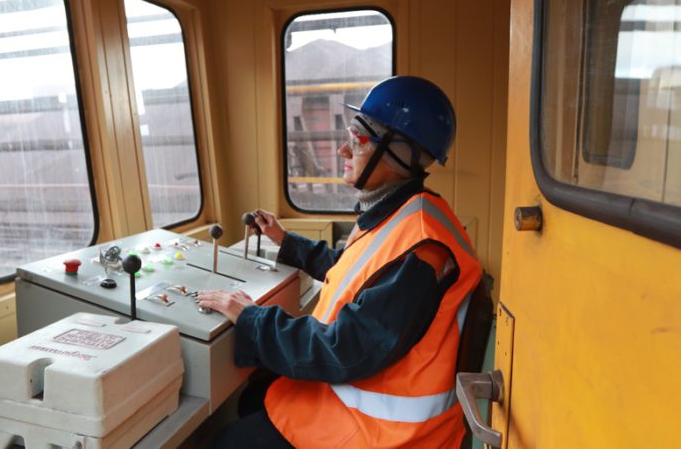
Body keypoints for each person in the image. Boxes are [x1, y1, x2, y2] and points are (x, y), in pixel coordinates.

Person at [197, 76, 482, 449]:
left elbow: (346, 348)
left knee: (228, 442)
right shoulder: (406, 212)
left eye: (358, 140)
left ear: (399, 154)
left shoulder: (421, 250)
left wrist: (252, 318)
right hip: (362, 392)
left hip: (384, 432)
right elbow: (355, 268)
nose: (343, 150)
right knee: (254, 396)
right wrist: (286, 242)